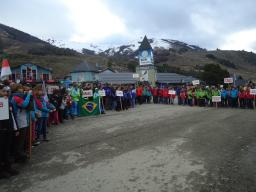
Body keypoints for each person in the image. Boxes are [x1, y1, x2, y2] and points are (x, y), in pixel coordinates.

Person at [0, 86, 19, 179]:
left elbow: (11, 116)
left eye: (7, 91)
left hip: (8, 128)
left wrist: (15, 128)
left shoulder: (8, 102)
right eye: (3, 91)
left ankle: (8, 167)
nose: (6, 93)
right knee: (1, 150)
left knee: (7, 149)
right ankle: (1, 171)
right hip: (2, 130)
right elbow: (2, 119)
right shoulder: (1, 102)